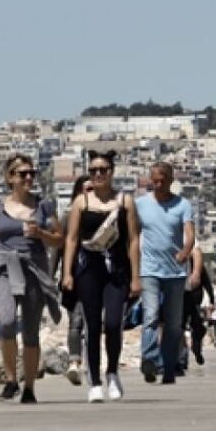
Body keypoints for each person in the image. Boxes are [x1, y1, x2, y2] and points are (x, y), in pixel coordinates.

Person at [0, 153, 63, 404]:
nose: (29, 178)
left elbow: (59, 239)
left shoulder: (44, 206)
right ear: (10, 177)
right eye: (23, 174)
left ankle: (29, 387)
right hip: (5, 268)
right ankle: (11, 380)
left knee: (31, 331)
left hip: (34, 269)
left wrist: (41, 233)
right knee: (7, 321)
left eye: (32, 173)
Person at [62, 150, 140, 403]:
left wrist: (136, 277)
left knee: (114, 323)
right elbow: (71, 239)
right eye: (93, 170)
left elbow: (133, 240)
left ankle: (112, 373)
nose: (98, 174)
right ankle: (94, 381)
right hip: (88, 269)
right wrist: (67, 273)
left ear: (111, 172)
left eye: (103, 170)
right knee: (92, 325)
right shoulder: (81, 202)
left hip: (117, 269)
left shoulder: (125, 202)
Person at [135, 161, 195, 386]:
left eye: (162, 180)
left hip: (175, 273)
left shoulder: (182, 205)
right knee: (150, 315)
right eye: (154, 181)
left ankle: (169, 366)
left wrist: (185, 252)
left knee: (173, 323)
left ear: (170, 180)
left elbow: (190, 234)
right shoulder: (140, 204)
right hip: (149, 270)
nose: (158, 184)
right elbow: (132, 236)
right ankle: (149, 360)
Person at [55, 175, 91, 385]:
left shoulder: (105, 216)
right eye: (86, 189)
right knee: (76, 321)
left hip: (97, 276)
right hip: (73, 277)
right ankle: (74, 362)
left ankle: (91, 362)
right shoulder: (67, 217)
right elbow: (57, 249)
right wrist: (51, 276)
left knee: (94, 322)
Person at [181, 246, 214, 372]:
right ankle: (182, 358)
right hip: (182, 302)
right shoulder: (179, 265)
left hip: (196, 303)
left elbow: (207, 283)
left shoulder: (198, 267)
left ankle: (196, 349)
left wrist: (212, 300)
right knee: (179, 329)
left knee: (198, 328)